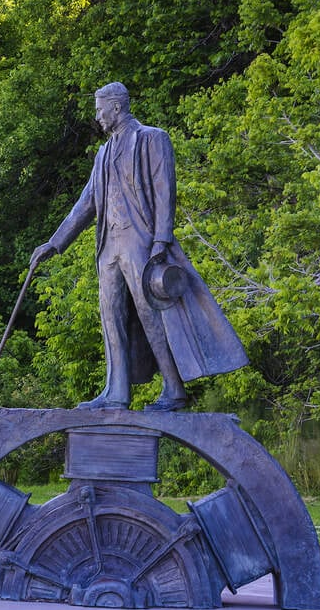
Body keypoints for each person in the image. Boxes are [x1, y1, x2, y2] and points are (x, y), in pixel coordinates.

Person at [31, 82, 248, 411]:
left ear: (116, 108)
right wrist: (54, 244)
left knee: (153, 316)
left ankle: (174, 389)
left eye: (99, 110)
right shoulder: (103, 153)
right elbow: (85, 204)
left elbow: (165, 192)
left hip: (141, 240)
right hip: (109, 246)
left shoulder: (151, 138)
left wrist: (161, 240)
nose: (97, 116)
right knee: (111, 316)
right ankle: (117, 392)